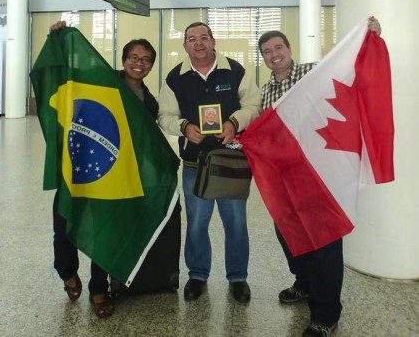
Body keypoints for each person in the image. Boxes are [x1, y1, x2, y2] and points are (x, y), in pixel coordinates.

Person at [258, 17, 382, 337]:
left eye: (278, 47)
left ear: (288, 49)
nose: (274, 54)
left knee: (325, 243)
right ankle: (303, 283)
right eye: (267, 51)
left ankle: (326, 314)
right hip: (284, 179)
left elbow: (349, 68)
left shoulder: (312, 74)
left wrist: (367, 39)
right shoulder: (265, 91)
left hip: (318, 175)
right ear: (263, 58)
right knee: (290, 236)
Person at [49, 21, 159, 318]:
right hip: (80, 170)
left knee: (106, 233)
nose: (139, 63)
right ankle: (67, 272)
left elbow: (147, 146)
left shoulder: (149, 103)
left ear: (150, 67)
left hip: (114, 180)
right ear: (124, 60)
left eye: (146, 60)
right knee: (64, 224)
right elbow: (68, 71)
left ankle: (99, 289)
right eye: (134, 57)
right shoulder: (101, 80)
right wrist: (59, 39)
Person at [158, 22, 260, 303]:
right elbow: (164, 115)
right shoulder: (175, 78)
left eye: (204, 37)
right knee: (196, 224)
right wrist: (183, 127)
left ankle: (238, 277)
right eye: (192, 39)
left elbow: (253, 104)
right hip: (195, 164)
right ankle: (198, 275)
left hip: (231, 162)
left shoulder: (235, 71)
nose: (198, 43)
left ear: (213, 41)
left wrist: (234, 122)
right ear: (185, 46)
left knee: (236, 223)